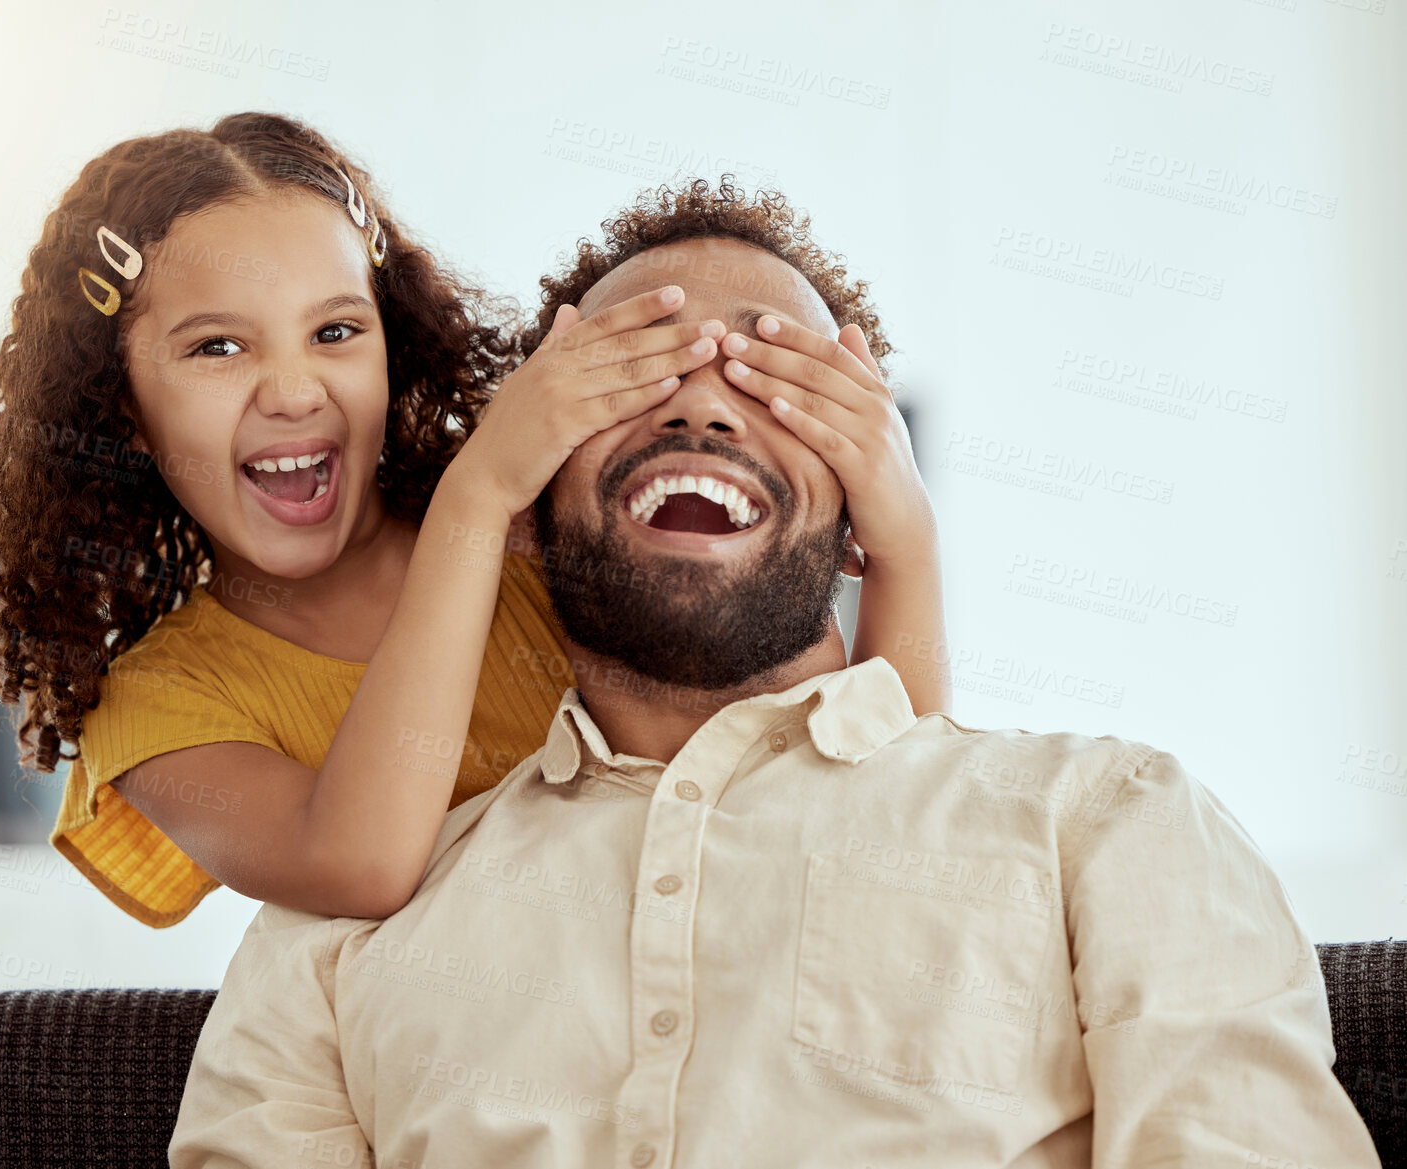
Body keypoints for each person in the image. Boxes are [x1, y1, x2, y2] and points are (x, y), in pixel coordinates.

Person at [168, 180, 1380, 1169]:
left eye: (775, 378)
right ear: (527, 497)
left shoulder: (1105, 826)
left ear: (864, 513)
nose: (701, 408)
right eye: (630, 370)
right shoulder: (331, 947)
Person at [0, 115, 950, 927]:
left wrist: (904, 538)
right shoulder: (159, 706)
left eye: (337, 331)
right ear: (121, 410)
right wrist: (474, 503)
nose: (293, 389)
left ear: (395, 348)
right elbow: (360, 863)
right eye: (216, 345)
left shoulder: (557, 537)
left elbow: (877, 792)